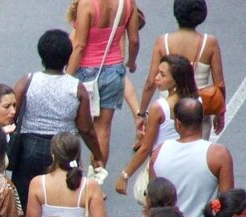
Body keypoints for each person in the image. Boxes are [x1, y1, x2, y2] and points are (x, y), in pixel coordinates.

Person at [9, 29, 103, 211]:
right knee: (61, 203)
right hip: (64, 149)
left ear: (41, 54)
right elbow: (86, 129)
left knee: (23, 206)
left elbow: (12, 113)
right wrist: (97, 155)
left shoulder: (28, 81)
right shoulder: (76, 88)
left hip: (29, 147)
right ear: (68, 58)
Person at [150, 99, 233, 217]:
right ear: (201, 120)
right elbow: (228, 206)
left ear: (177, 123)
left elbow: (153, 203)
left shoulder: (158, 153)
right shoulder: (218, 154)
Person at [67, 0, 139, 168]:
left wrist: (67, 78)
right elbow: (134, 40)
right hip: (114, 70)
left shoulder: (87, 4)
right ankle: (96, 182)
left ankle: (72, 176)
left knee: (73, 125)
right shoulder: (128, 3)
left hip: (85, 70)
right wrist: (131, 62)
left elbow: (79, 46)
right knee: (103, 129)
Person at [137, 0, 226, 136]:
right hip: (197, 109)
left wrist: (141, 114)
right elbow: (220, 84)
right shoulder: (210, 43)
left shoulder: (163, 42)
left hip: (168, 111)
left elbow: (150, 83)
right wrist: (220, 114)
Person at [116, 54, 198, 198]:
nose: (157, 77)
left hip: (162, 166)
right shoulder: (197, 102)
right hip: (187, 164)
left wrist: (125, 175)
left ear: (176, 80)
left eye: (162, 74)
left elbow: (146, 148)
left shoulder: (159, 108)